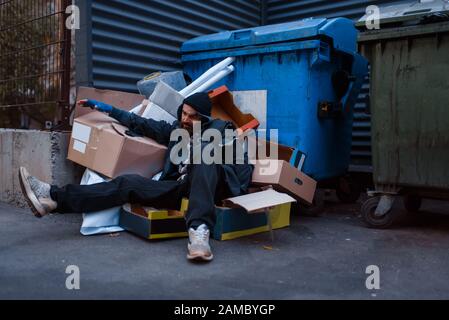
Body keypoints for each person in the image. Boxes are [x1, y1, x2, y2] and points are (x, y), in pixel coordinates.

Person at [18, 92, 253, 262]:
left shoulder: (223, 130)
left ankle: (199, 234)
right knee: (127, 182)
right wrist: (107, 109)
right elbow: (141, 123)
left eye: (191, 117)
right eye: (183, 113)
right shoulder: (176, 131)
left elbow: (242, 169)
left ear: (203, 118)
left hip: (215, 184)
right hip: (182, 187)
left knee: (205, 158)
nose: (184, 120)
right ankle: (52, 198)